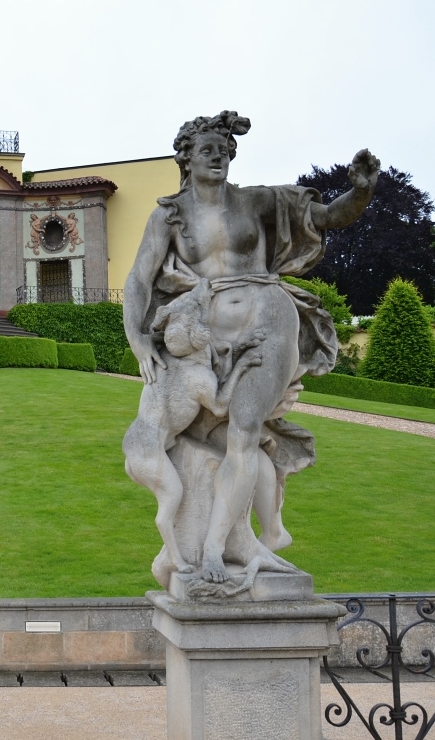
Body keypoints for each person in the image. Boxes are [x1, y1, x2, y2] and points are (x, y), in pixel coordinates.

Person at [123, 111, 379, 585]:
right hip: (206, 339)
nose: (217, 158)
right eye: (207, 150)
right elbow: (139, 278)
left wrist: (360, 192)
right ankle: (259, 533)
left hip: (267, 322)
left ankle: (216, 550)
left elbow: (326, 216)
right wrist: (137, 338)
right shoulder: (170, 215)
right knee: (216, 440)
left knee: (242, 430)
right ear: (186, 158)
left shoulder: (256, 202)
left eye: (224, 151)